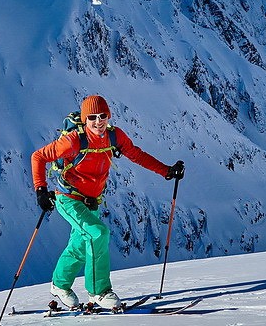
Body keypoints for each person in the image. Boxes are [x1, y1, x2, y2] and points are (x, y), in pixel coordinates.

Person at [31, 94, 185, 310]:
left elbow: (136, 155)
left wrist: (166, 171)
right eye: (92, 117)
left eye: (102, 116)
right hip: (68, 198)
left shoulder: (114, 137)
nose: (98, 121)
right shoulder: (73, 140)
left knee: (80, 245)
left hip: (92, 201)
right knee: (97, 234)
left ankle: (60, 284)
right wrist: (41, 190)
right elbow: (38, 156)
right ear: (85, 119)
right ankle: (98, 291)